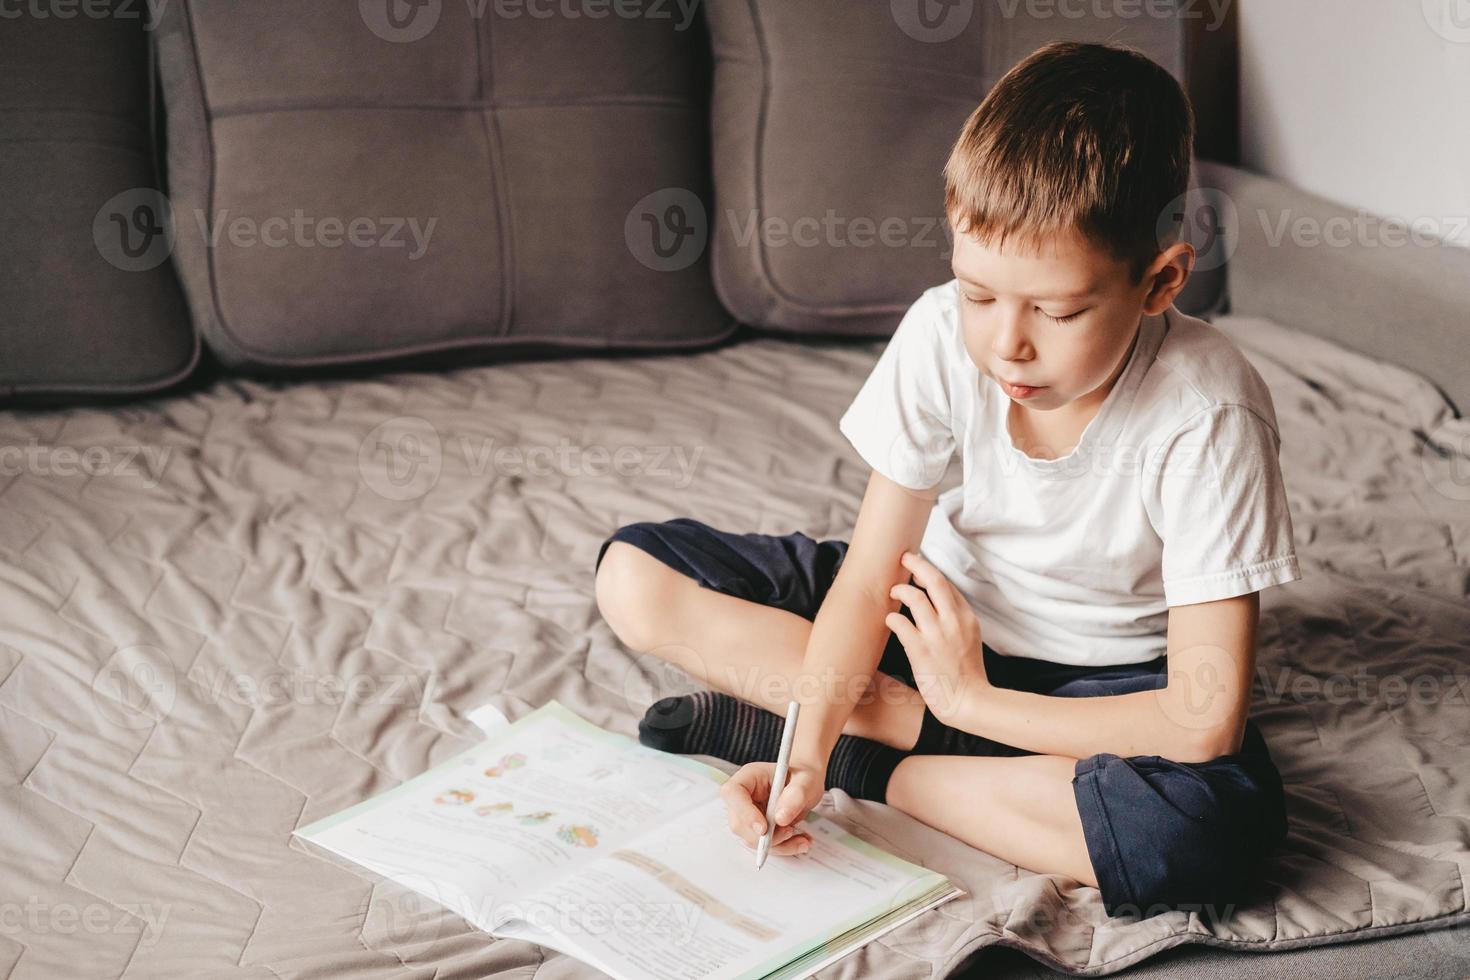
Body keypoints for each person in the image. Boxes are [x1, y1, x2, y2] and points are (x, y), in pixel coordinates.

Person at [593, 41, 1298, 917]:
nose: (1007, 343)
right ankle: (875, 733)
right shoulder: (938, 337)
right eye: (977, 294)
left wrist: (972, 700)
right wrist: (803, 755)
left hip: (1100, 686)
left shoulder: (1209, 415)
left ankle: (882, 757)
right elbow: (869, 578)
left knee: (1202, 838)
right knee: (635, 576)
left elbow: (1200, 720)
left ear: (1159, 282)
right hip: (931, 624)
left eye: (1057, 309)